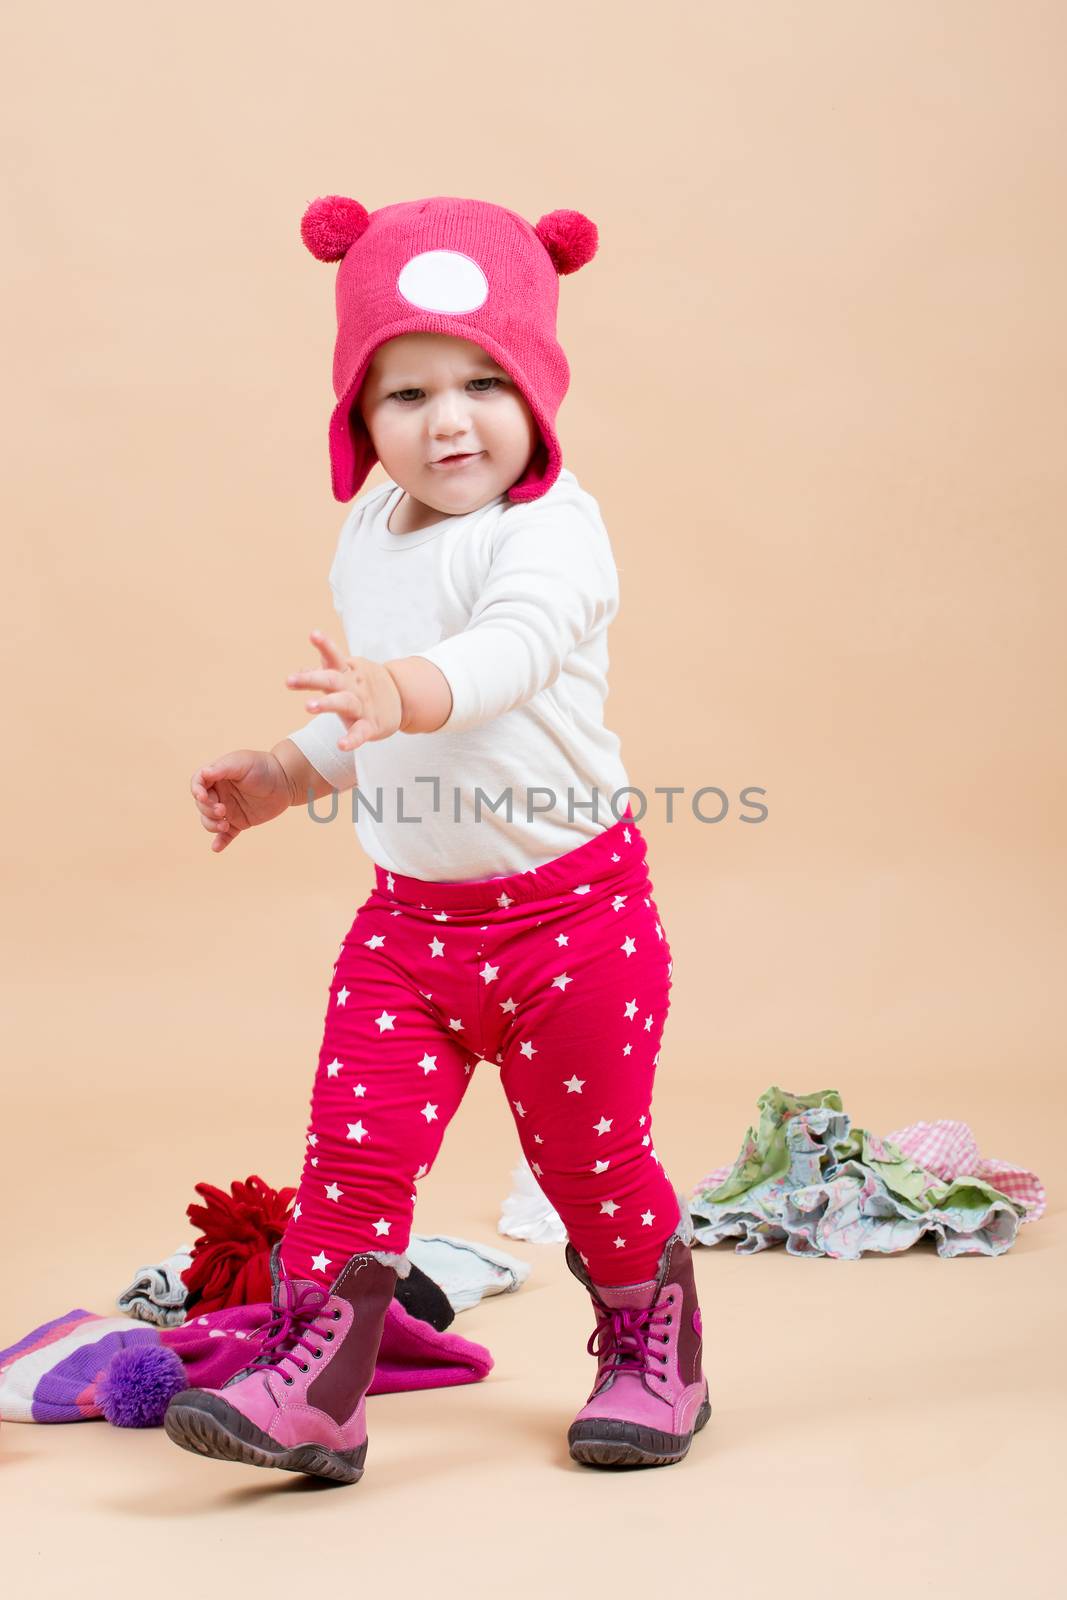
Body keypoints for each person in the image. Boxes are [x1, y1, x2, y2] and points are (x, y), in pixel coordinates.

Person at [164, 194, 711, 1484]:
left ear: (541, 392)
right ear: (358, 420)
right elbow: (384, 723)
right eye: (403, 395)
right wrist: (286, 772)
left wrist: (398, 688)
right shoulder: (372, 531)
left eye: (482, 383)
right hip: (410, 928)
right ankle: (321, 1388)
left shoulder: (554, 531)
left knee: (591, 1162)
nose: (448, 420)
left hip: (574, 925)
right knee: (348, 1158)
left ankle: (651, 1341)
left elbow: (504, 658)